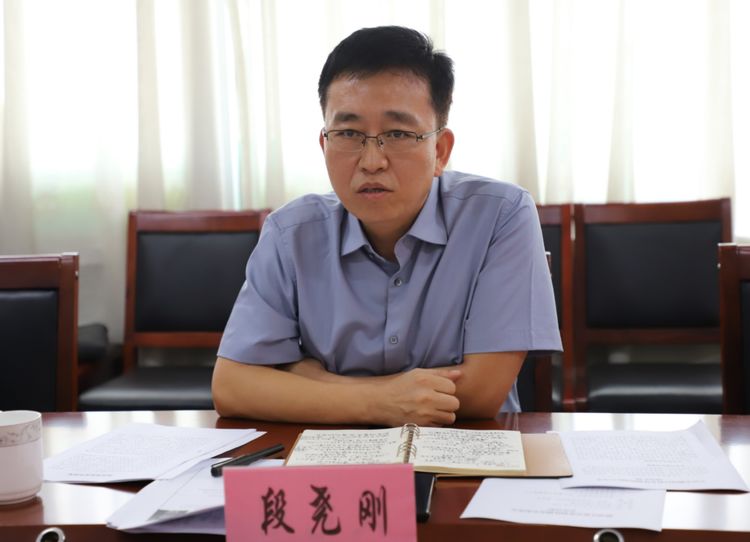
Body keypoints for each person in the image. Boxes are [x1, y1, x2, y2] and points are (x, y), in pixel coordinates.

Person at [212, 26, 561, 426]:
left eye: (397, 134)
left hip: (466, 453)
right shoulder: (290, 233)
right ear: (325, 144)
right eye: (348, 133)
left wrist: (313, 381)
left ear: (440, 150)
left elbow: (481, 393)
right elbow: (233, 387)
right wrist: (381, 402)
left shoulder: (501, 215)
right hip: (330, 456)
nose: (372, 161)